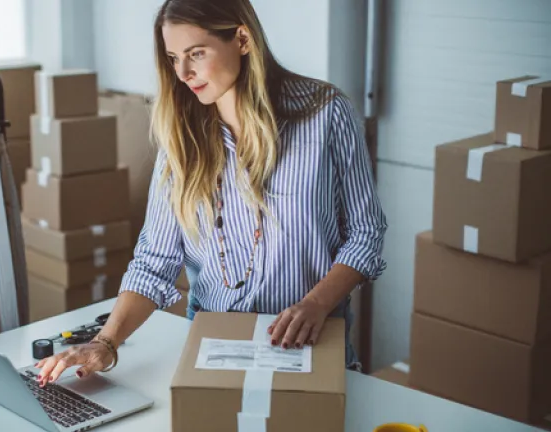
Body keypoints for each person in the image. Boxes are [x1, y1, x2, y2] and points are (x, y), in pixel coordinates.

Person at [35, 0, 387, 386]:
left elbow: (366, 233)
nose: (183, 73)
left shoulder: (325, 113)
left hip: (310, 344)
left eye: (196, 54)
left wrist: (316, 303)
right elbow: (155, 261)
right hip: (214, 348)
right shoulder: (181, 139)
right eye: (173, 58)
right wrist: (105, 342)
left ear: (241, 39)